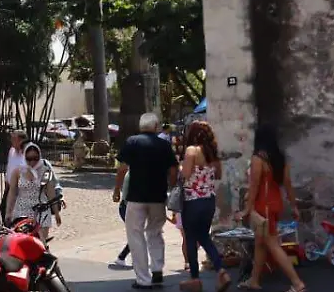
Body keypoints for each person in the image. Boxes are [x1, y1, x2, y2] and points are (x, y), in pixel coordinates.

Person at [114, 112, 177, 290]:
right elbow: (173, 170)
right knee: (155, 232)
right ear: (156, 126)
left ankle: (143, 278)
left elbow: (122, 169)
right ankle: (157, 270)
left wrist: (117, 190)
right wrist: (171, 189)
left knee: (135, 235)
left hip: (136, 197)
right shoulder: (164, 145)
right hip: (158, 196)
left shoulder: (132, 142)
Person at [241, 125, 305, 292]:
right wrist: (294, 206)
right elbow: (288, 185)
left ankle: (297, 283)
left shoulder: (258, 159)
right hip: (275, 205)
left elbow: (254, 187)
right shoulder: (279, 159)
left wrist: (247, 209)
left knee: (272, 244)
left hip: (264, 207)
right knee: (260, 244)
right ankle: (254, 281)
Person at [179, 121, 230, 292]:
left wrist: (180, 167)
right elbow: (219, 174)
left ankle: (195, 279)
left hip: (192, 201)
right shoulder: (213, 154)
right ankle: (221, 270)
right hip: (209, 200)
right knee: (204, 236)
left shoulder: (191, 151)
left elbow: (186, 174)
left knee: (191, 238)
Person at [5, 142, 61, 240]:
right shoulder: (17, 172)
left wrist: (56, 213)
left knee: (40, 241)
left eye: (35, 158)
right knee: (22, 241)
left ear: (39, 157)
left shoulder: (45, 171)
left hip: (41, 209)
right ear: (25, 157)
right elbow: (12, 193)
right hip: (22, 210)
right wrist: (8, 212)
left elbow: (51, 193)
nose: (32, 162)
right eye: (29, 159)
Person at [1, 130, 29, 218]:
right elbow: (9, 167)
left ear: (21, 140)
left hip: (21, 188)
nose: (11, 141)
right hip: (9, 187)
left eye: (14, 139)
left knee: (19, 213)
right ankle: (9, 230)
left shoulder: (28, 154)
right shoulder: (11, 151)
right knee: (3, 208)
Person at [111, 170, 133, 269]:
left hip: (127, 207)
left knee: (137, 235)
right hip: (128, 208)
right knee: (137, 235)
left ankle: (123, 257)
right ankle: (122, 257)